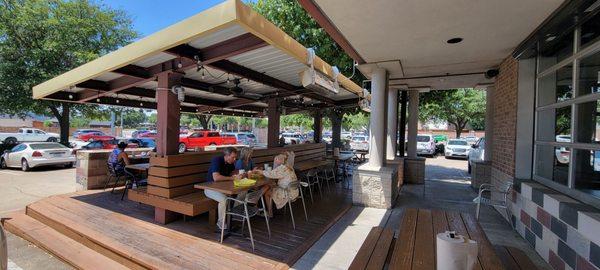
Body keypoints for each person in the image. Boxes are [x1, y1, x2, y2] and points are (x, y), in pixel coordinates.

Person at [204, 147, 239, 230]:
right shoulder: (216, 160)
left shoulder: (230, 162)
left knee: (241, 192)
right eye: (233, 157)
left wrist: (238, 173)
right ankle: (221, 222)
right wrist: (232, 178)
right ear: (226, 156)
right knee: (224, 199)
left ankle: (235, 215)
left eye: (235, 157)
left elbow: (232, 173)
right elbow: (216, 177)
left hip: (223, 188)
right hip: (209, 188)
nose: (234, 159)